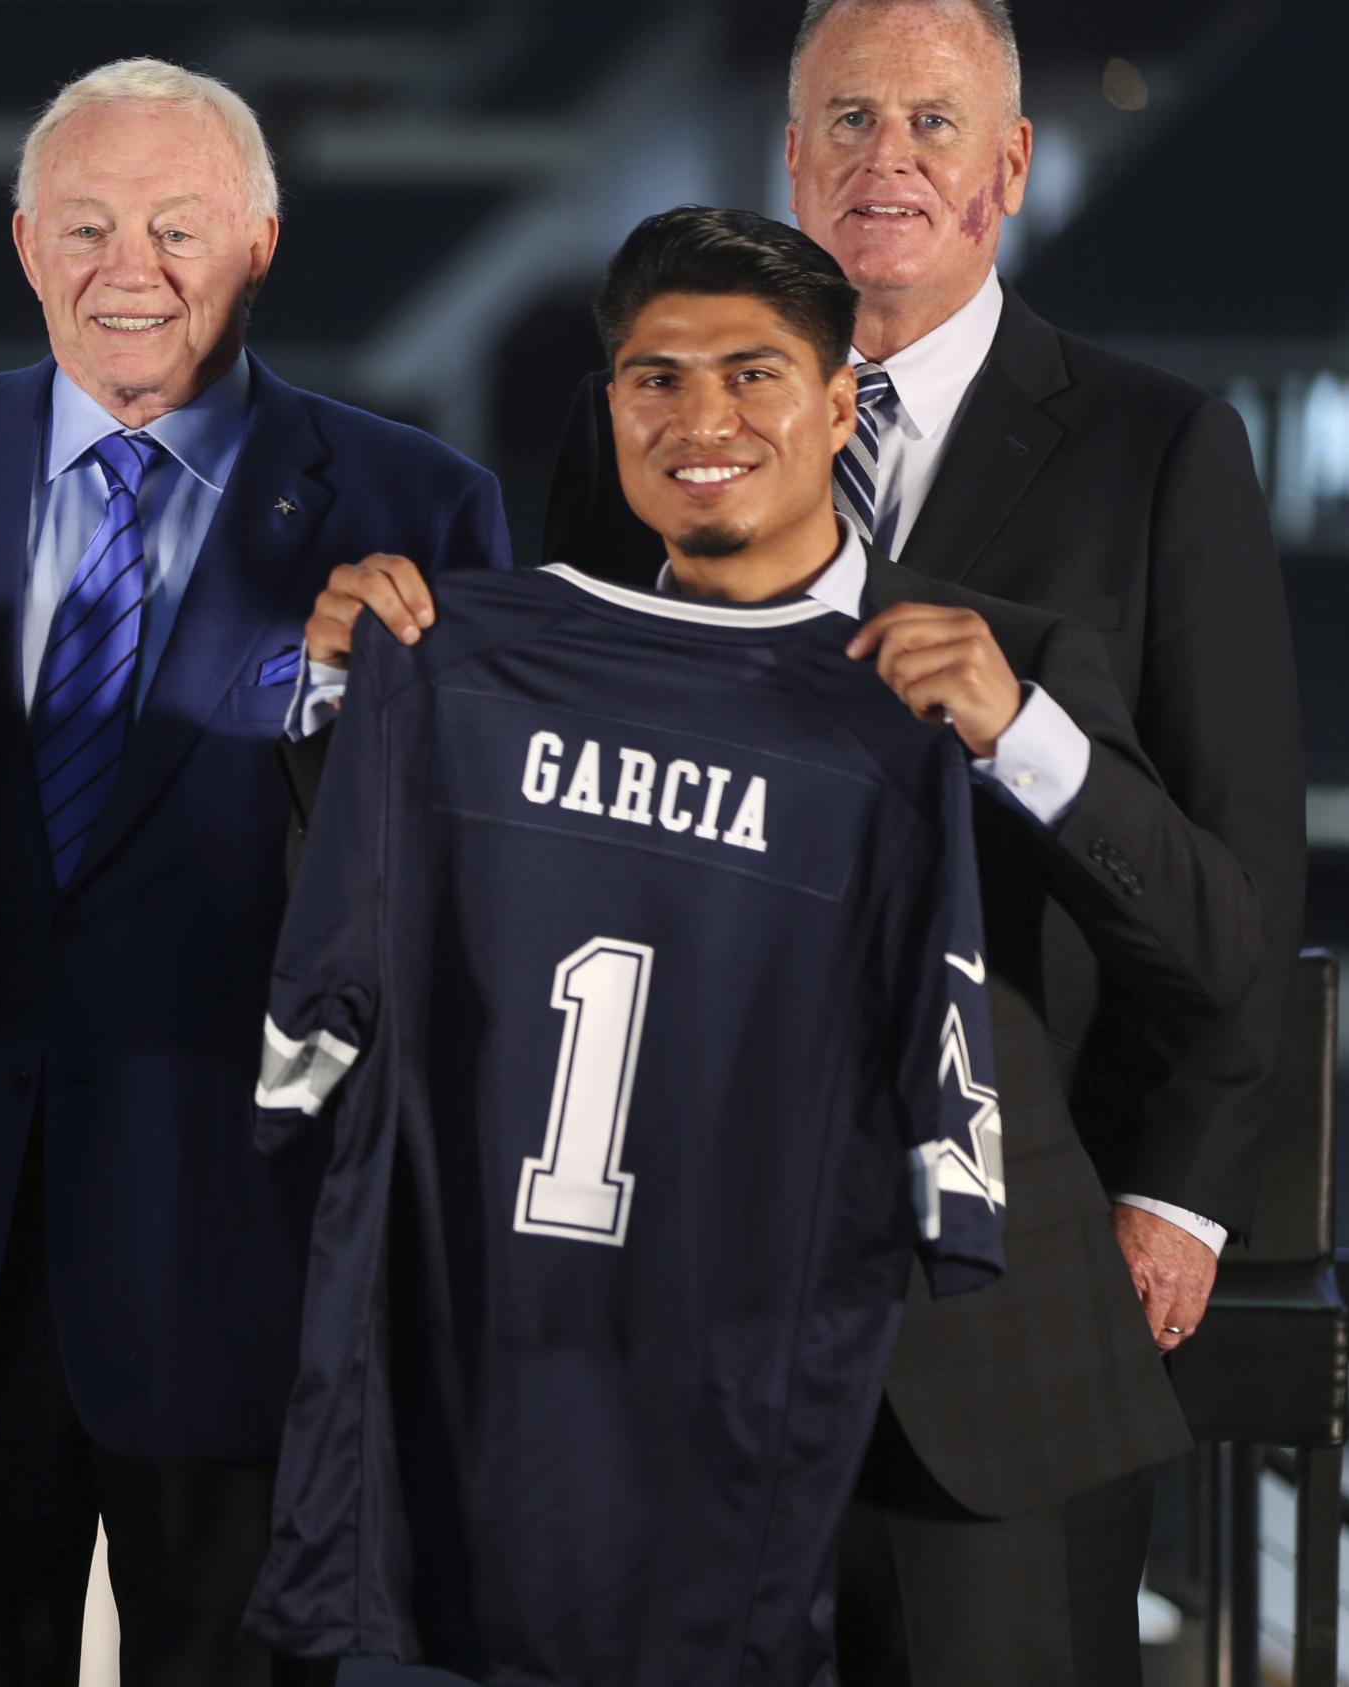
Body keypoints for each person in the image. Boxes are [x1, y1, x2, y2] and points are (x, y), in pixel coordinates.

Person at [326, 1, 1307, 1677]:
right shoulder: (636, 434)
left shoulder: (1162, 447)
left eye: (933, 124)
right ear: (792, 155)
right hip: (665, 1299)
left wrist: (1180, 1200)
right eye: (848, 120)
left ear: (1009, 165)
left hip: (995, 1291)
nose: (886, 160)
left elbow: (1236, 899)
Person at [0, 57, 514, 1685]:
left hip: (248, 1274)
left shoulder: (417, 508)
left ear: (261, 242)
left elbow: (469, 890)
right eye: (89, 224)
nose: (132, 269)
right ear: (23, 242)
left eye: (179, 226)